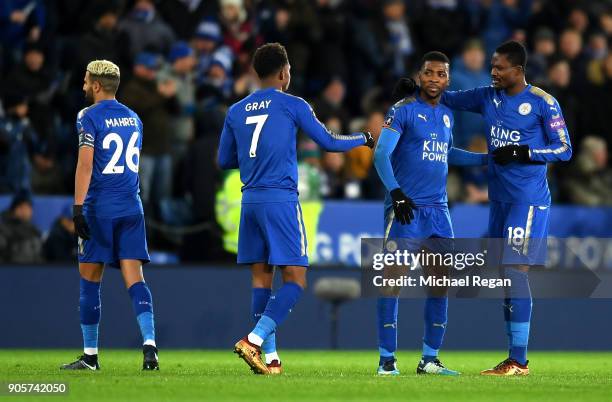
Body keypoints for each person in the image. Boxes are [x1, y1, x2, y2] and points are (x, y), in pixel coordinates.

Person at [397, 40, 572, 375]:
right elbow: (445, 95)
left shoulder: (542, 103)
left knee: (514, 272)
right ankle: (513, 358)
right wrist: (416, 87)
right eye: (492, 65)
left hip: (528, 200)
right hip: (499, 201)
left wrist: (525, 153)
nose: (493, 71)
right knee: (507, 277)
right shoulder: (486, 96)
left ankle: (519, 361)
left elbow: (564, 149)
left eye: (500, 67)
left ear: (518, 71)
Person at [218, 42, 374, 375]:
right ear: (284, 72)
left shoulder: (236, 110)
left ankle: (271, 359)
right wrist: (363, 137)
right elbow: (329, 141)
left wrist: (252, 157)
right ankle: (254, 340)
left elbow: (223, 160)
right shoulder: (292, 104)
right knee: (296, 279)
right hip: (280, 200)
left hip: (251, 201)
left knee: (261, 280)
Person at [373, 51, 487, 376]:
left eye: (440, 74)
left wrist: (485, 160)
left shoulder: (448, 114)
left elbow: (447, 153)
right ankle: (386, 361)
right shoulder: (403, 110)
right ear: (420, 76)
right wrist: (396, 194)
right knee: (391, 282)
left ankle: (430, 359)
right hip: (406, 210)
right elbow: (381, 155)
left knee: (439, 284)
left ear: (447, 80)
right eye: (429, 73)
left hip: (439, 211)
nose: (434, 79)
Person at [60, 60, 159, 371]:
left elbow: (86, 165)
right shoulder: (134, 118)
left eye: (87, 81)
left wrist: (77, 208)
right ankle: (150, 346)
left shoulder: (87, 116)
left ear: (98, 86)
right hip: (132, 206)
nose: (84, 86)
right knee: (135, 278)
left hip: (99, 208)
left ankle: (90, 356)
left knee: (90, 281)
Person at [0, 191, 43, 263]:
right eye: (22, 207)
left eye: (28, 208)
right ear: (14, 209)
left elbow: (39, 257)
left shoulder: (35, 231)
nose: (25, 211)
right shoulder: (4, 230)